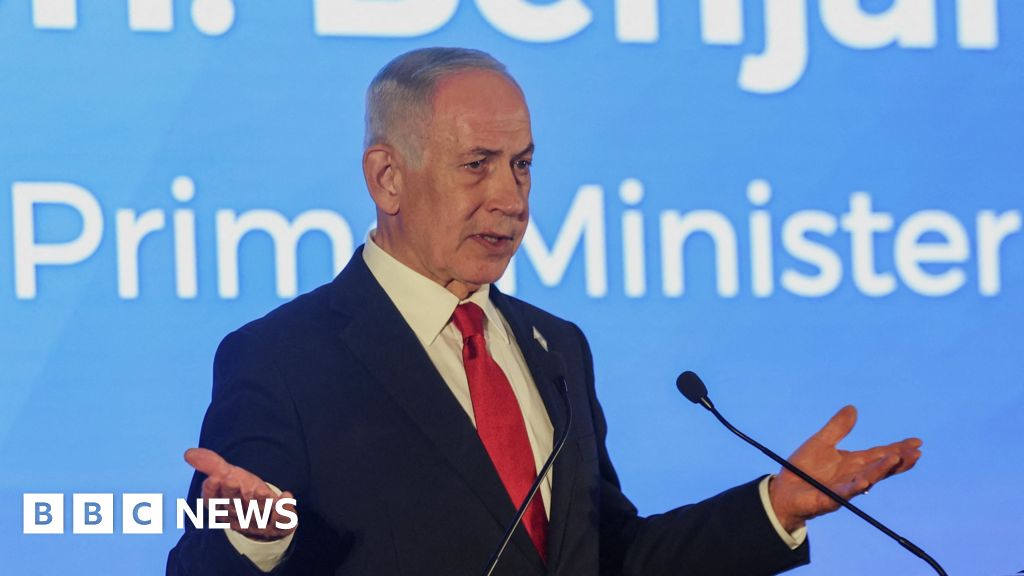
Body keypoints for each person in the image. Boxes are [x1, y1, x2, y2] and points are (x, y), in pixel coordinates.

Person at [167, 47, 922, 576]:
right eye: (477, 166)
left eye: (522, 165)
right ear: (388, 177)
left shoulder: (556, 347)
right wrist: (251, 538)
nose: (511, 198)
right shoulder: (283, 358)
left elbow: (608, 556)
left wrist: (775, 506)